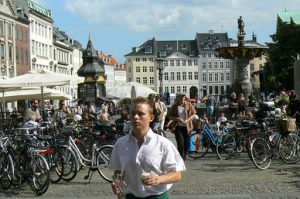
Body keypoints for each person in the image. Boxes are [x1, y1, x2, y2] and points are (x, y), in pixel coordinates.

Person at [109, 97, 185, 199]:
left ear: (151, 118)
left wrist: (159, 179)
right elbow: (117, 172)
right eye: (133, 114)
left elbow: (177, 174)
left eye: (141, 114)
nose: (136, 117)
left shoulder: (163, 144)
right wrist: (117, 184)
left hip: (156, 196)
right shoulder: (120, 144)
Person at [168, 93, 196, 161]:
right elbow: (169, 116)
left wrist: (187, 120)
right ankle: (181, 159)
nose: (182, 100)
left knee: (187, 143)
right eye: (181, 98)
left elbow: (193, 114)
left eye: (183, 98)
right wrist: (177, 119)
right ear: (178, 98)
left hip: (187, 127)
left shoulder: (189, 104)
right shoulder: (174, 106)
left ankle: (184, 155)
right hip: (178, 127)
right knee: (180, 143)